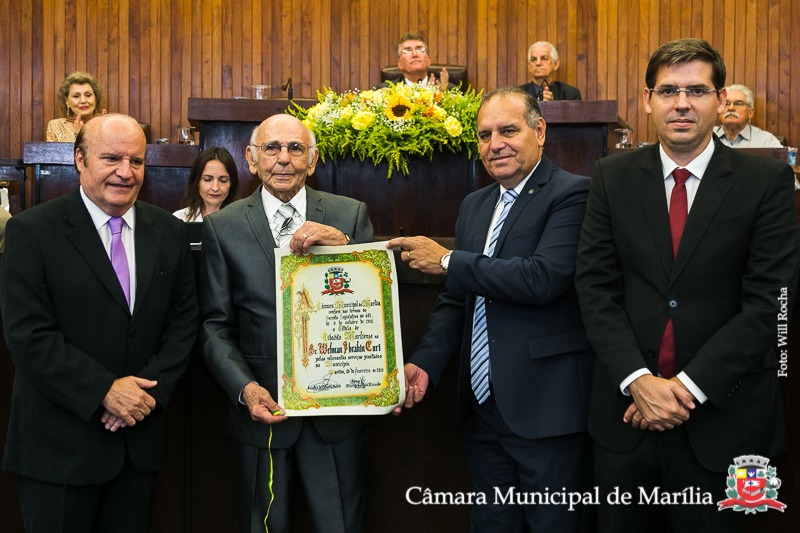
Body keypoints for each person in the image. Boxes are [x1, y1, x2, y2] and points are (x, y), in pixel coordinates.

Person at [575, 38, 799, 533]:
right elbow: (594, 288)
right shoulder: (611, 178)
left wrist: (684, 391)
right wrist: (639, 382)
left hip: (726, 423)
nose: (681, 103)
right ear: (648, 99)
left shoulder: (766, 181)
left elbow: (772, 304)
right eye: (668, 91)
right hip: (626, 423)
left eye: (697, 90)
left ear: (720, 101)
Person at [389, 87, 592, 532]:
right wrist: (426, 363)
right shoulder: (475, 205)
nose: (494, 143)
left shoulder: (573, 194)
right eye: (484, 135)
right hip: (483, 409)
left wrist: (445, 259)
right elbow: (457, 299)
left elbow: (542, 279)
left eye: (508, 130)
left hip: (546, 411)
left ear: (539, 131)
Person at [0, 113, 198, 532]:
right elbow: (28, 336)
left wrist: (142, 397)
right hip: (59, 449)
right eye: (111, 158)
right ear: (79, 159)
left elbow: (183, 325)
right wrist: (104, 391)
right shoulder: (32, 231)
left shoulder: (169, 233)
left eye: (137, 161)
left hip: (137, 446)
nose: (125, 173)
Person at [199, 114, 374, 533]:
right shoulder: (222, 227)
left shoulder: (348, 215)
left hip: (337, 414)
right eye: (272, 148)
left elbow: (376, 297)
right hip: (263, 414)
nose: (283, 159)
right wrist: (245, 389)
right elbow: (214, 325)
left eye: (295, 149)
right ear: (252, 158)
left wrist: (348, 247)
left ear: (312, 160)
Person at [173, 146, 239, 222]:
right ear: (197, 182)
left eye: (223, 180)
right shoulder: (179, 219)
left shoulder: (243, 221)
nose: (215, 188)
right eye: (207, 179)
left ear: (231, 184)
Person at [713, 83, 783, 147]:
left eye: (738, 104)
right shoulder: (706, 137)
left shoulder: (766, 142)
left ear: (750, 113)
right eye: (726, 104)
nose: (731, 108)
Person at [376, 32, 452, 91]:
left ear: (429, 61)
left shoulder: (449, 90)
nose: (414, 54)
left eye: (419, 49)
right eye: (408, 50)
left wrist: (442, 98)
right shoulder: (383, 92)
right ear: (400, 64)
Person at [46, 71, 106, 142]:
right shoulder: (56, 126)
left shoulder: (106, 125)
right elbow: (54, 153)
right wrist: (79, 136)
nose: (83, 100)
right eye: (76, 96)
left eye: (88, 95)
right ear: (67, 102)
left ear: (96, 99)